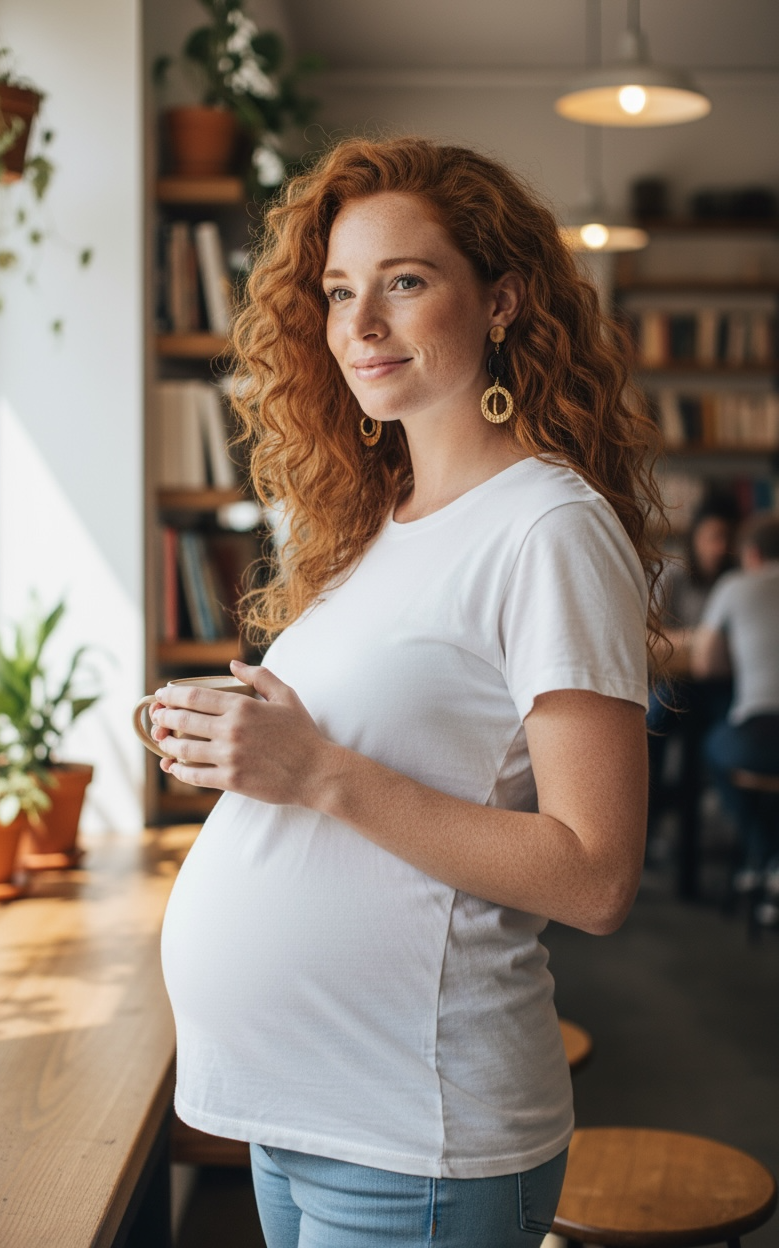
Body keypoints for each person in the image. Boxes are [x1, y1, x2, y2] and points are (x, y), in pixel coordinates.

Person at [152, 137, 665, 1248]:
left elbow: (595, 876)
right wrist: (244, 750)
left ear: (503, 301)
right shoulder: (376, 524)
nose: (361, 326)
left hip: (414, 1135)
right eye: (339, 292)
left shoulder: (548, 529)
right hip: (305, 1116)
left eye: (406, 282)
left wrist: (318, 771)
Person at [693, 512, 779, 895]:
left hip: (758, 733)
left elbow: (703, 663)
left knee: (712, 749)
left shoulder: (734, 585)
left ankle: (762, 854)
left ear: (754, 555)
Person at [646, 495, 738, 845]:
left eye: (727, 538)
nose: (720, 547)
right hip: (675, 684)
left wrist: (689, 643)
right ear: (695, 537)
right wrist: (699, 640)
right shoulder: (674, 578)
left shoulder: (735, 583)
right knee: (651, 722)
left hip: (718, 686)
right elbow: (649, 641)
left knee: (725, 734)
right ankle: (649, 818)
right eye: (713, 537)